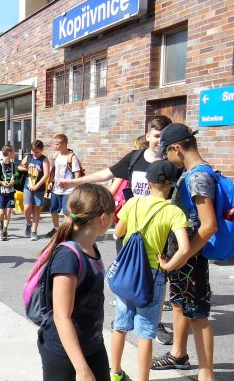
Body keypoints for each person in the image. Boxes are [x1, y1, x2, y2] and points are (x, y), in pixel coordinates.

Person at [61, 115, 175, 344]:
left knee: (157, 277)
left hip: (159, 230)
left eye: (163, 137)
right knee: (127, 272)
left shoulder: (170, 163)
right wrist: (75, 182)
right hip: (130, 229)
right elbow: (106, 174)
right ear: (147, 135)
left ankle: (156, 321)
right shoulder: (135, 158)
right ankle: (123, 316)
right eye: (156, 136)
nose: (159, 141)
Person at [110, 160, 191, 381]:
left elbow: (118, 231)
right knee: (145, 332)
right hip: (152, 275)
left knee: (120, 326)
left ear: (148, 182)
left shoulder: (133, 203)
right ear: (172, 185)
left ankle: (115, 373)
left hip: (127, 274)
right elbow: (184, 248)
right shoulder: (173, 212)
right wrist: (168, 265)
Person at [150, 123, 217, 380]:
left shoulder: (198, 177)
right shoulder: (190, 173)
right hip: (182, 259)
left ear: (176, 148)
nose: (166, 158)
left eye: (166, 152)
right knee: (179, 305)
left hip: (190, 259)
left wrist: (184, 255)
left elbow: (208, 225)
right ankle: (178, 354)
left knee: (198, 315)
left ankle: (206, 375)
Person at [36, 184, 115, 381]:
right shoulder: (68, 257)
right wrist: (82, 369)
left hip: (92, 344)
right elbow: (61, 316)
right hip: (64, 353)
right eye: (113, 214)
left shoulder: (90, 246)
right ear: (103, 219)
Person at [45, 134, 82, 238]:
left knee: (66, 212)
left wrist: (74, 186)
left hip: (68, 190)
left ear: (64, 144)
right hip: (56, 189)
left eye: (57, 144)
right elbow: (53, 170)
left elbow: (77, 173)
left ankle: (67, 232)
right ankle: (56, 229)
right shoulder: (56, 156)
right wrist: (50, 182)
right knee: (53, 210)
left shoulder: (71, 157)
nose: (55, 146)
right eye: (55, 144)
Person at [18, 140, 50, 241]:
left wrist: (36, 186)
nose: (35, 154)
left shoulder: (44, 160)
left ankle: (34, 231)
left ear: (42, 150)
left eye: (37, 152)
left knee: (36, 209)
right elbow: (19, 166)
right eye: (33, 151)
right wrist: (25, 169)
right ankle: (28, 223)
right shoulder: (29, 157)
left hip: (39, 188)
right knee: (27, 208)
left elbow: (46, 175)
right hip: (28, 186)